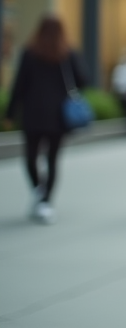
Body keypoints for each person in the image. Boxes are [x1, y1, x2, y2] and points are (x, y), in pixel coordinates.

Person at [3, 15, 87, 224]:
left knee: (31, 157)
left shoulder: (29, 53)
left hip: (33, 114)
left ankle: (39, 193)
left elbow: (19, 86)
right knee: (52, 159)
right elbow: (84, 80)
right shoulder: (67, 54)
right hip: (58, 116)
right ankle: (45, 200)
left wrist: (10, 113)